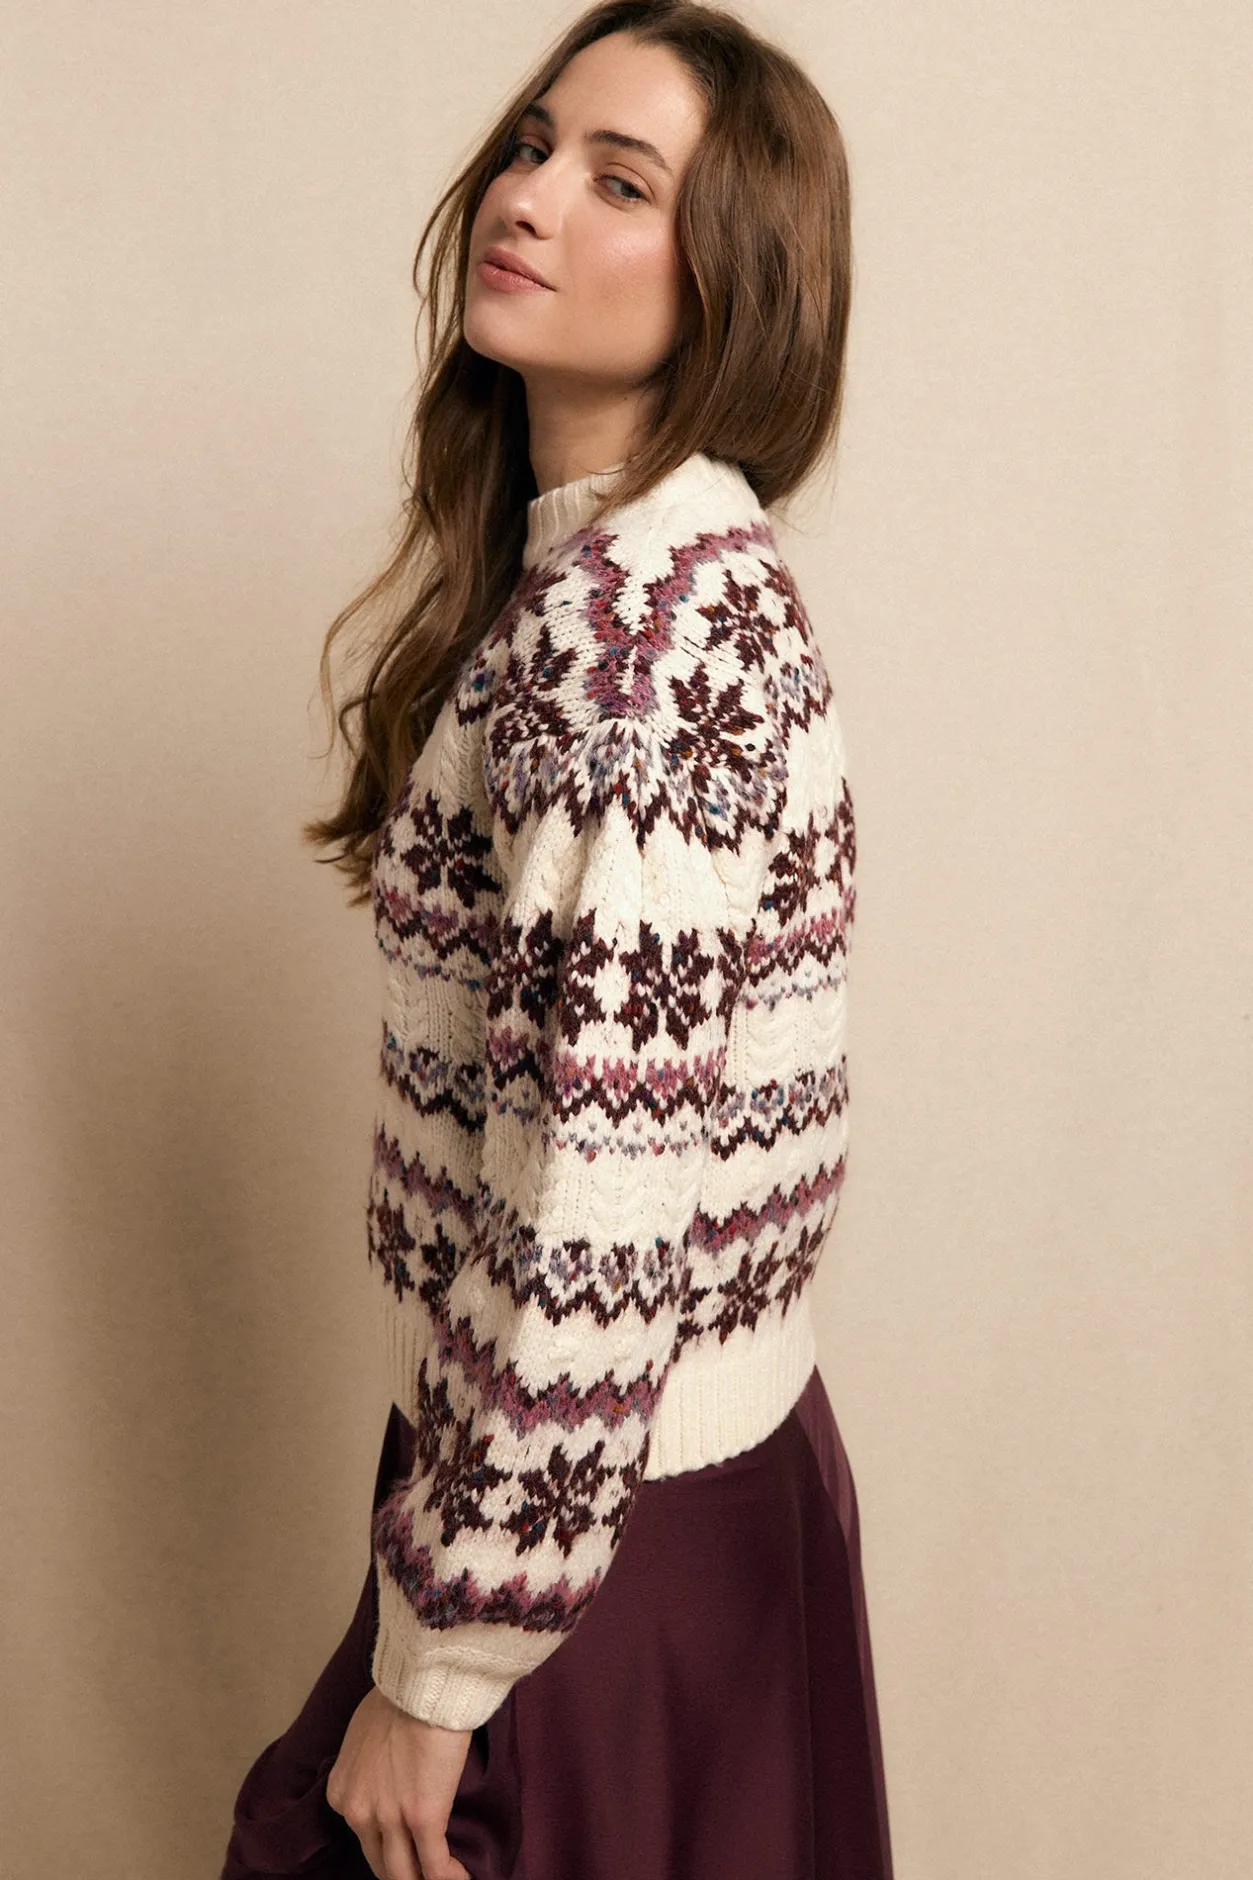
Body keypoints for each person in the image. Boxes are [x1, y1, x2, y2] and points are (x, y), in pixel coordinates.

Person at [219, 4, 893, 1877]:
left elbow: (597, 1211)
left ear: (731, 276)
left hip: (587, 1528)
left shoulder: (643, 659)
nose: (528, 198)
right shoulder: (618, 581)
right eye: (532, 146)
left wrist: (442, 1670)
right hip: (603, 1493)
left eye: (621, 182)